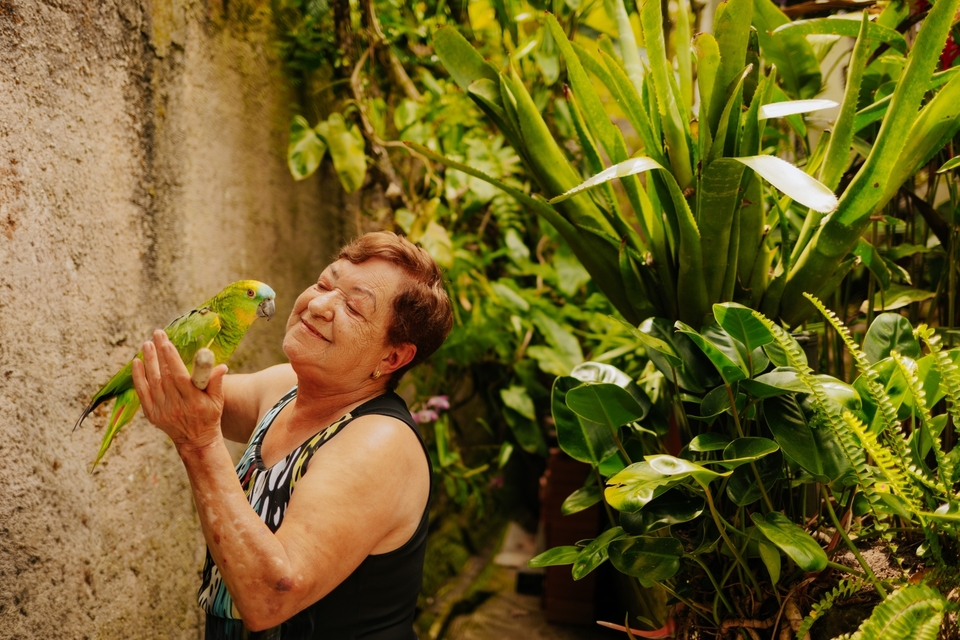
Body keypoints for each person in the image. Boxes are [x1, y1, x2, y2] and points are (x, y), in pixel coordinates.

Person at [131, 231, 453, 639]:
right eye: (323, 284)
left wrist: (199, 444)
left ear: (392, 357)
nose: (317, 305)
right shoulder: (288, 387)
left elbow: (271, 597)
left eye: (353, 307)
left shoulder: (378, 443)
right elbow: (186, 398)